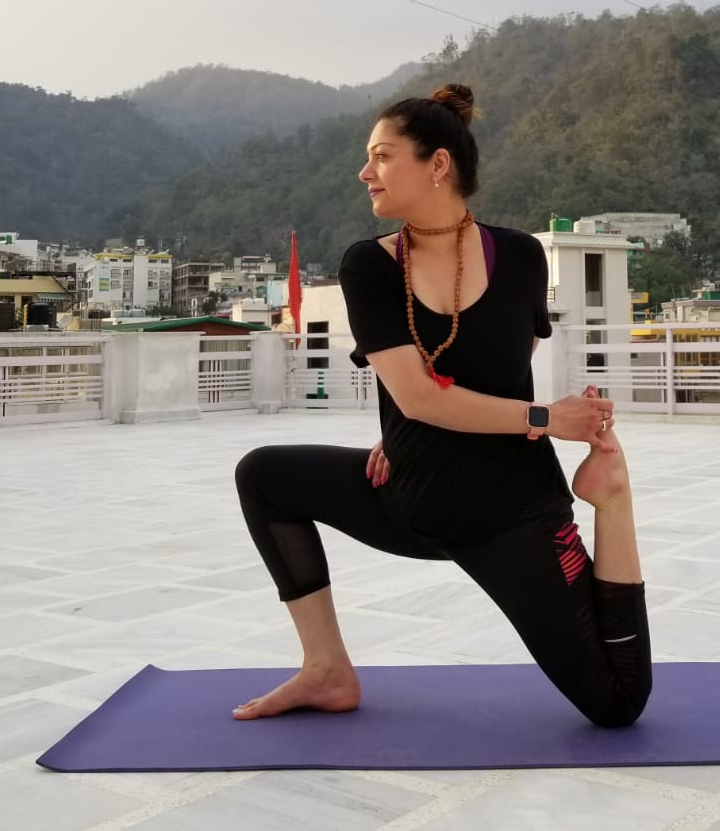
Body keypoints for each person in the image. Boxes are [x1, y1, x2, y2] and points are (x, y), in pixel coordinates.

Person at [232, 83, 652, 728]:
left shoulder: (519, 256)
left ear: (438, 164)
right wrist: (537, 419)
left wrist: (516, 418)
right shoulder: (369, 266)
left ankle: (614, 498)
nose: (365, 172)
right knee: (264, 475)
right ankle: (326, 668)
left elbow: (501, 370)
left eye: (382, 156)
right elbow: (418, 395)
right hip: (412, 502)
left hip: (512, 513)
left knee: (617, 703)